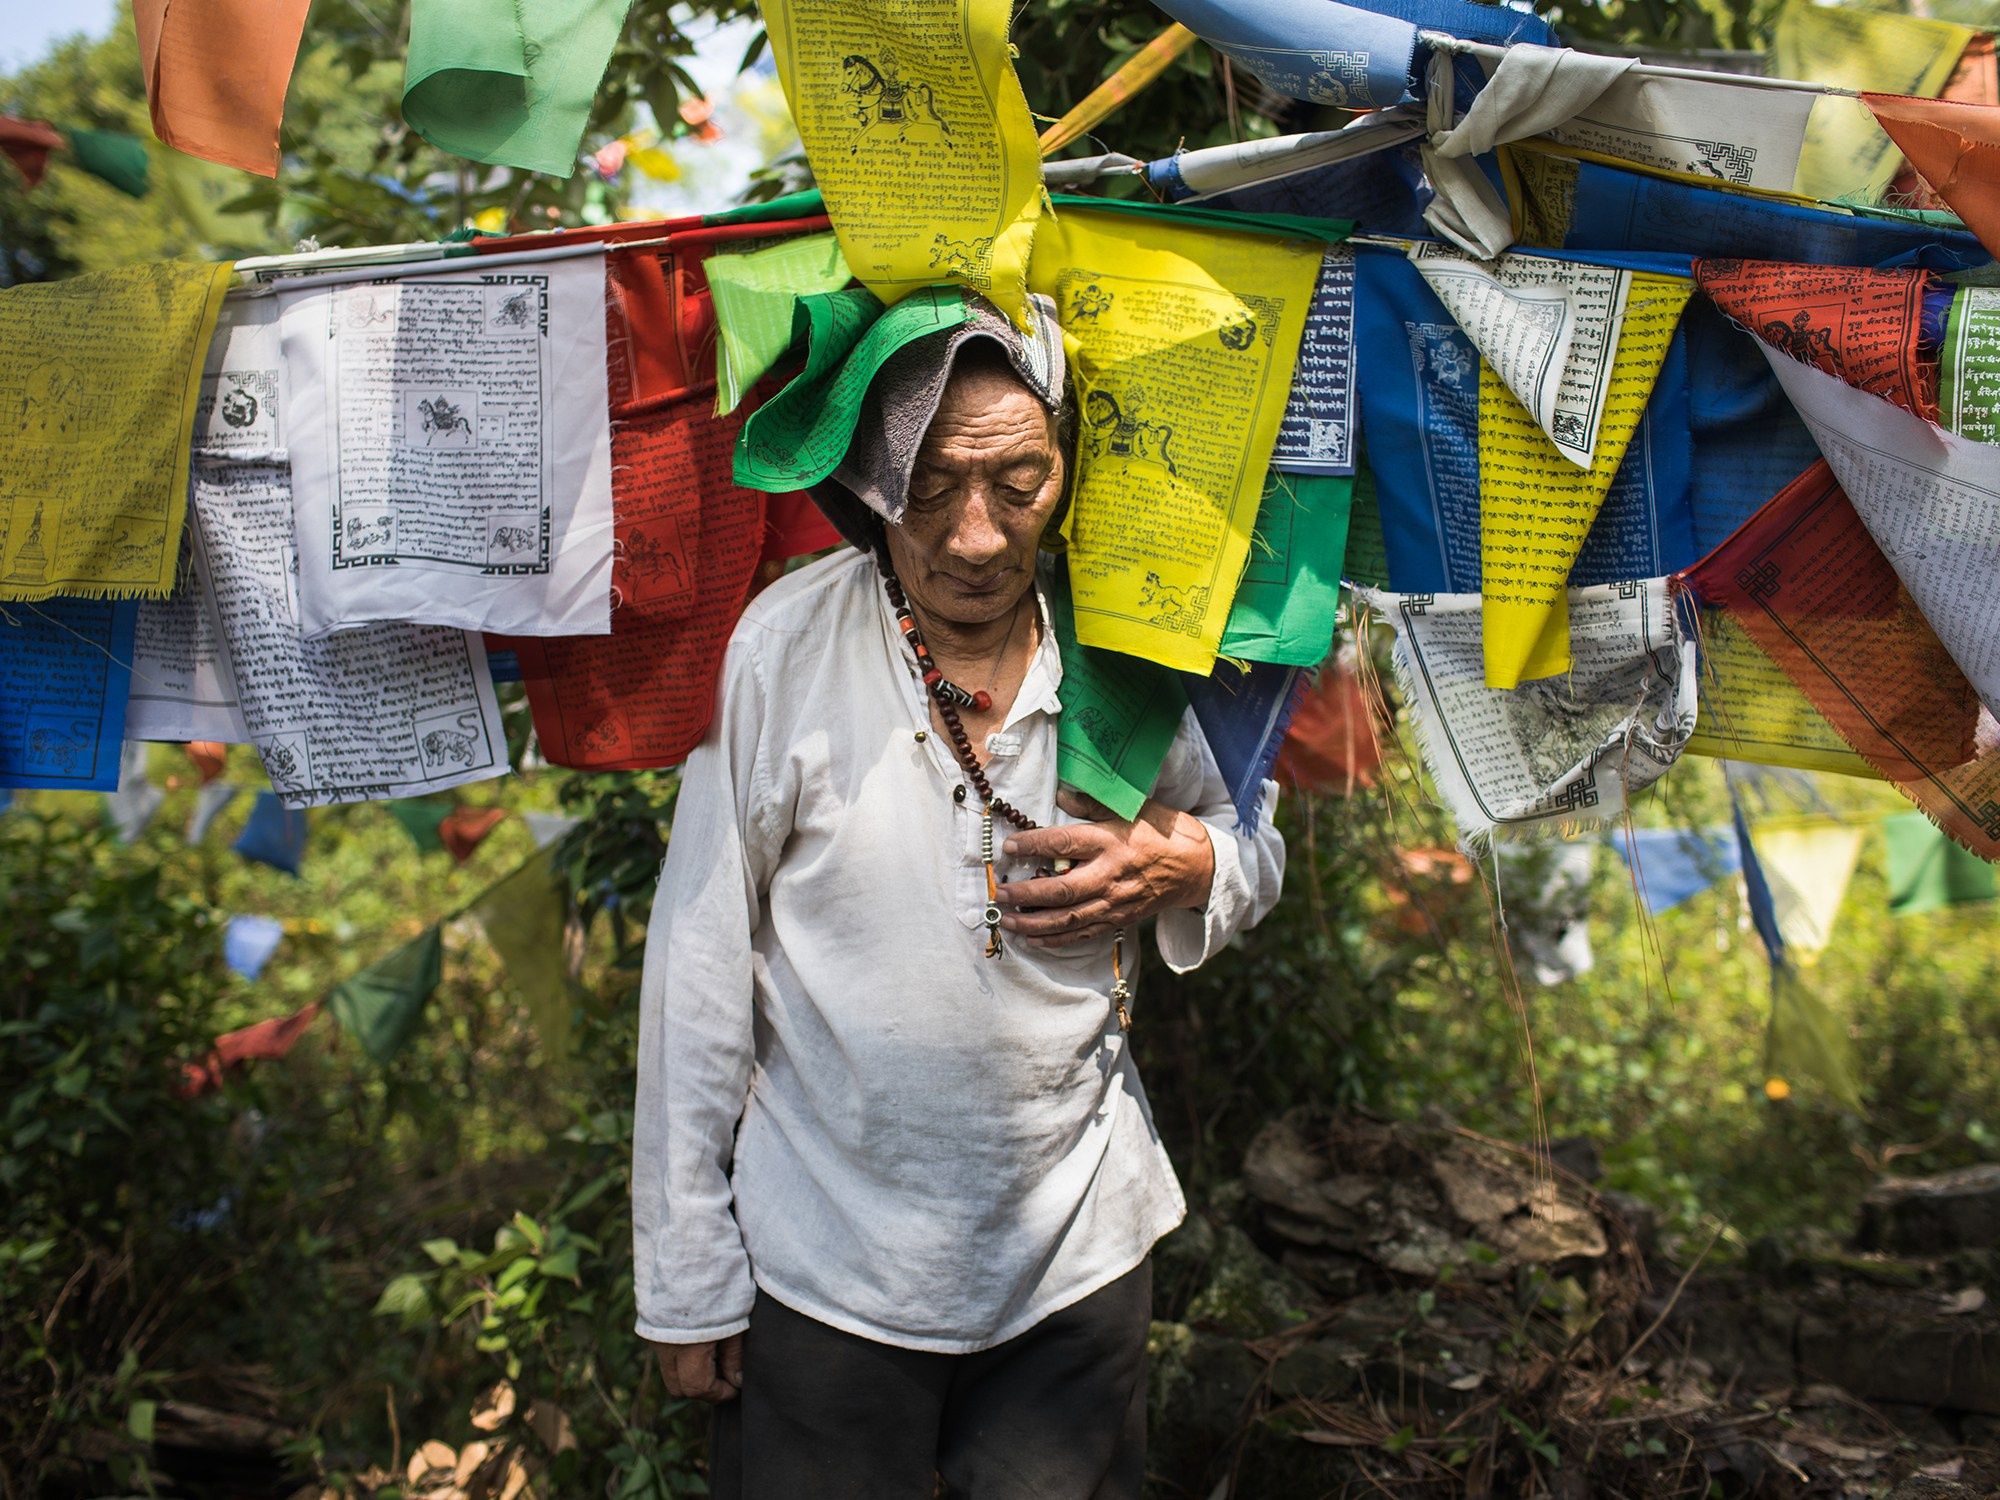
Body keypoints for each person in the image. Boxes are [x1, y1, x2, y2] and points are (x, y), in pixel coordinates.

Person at [632, 291, 1286, 1499]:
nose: (975, 536)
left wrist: (1187, 863)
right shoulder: (784, 651)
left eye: (1017, 483)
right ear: (870, 482)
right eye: (929, 487)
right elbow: (699, 962)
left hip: (1073, 1259)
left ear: (1067, 472)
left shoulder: (1131, 641)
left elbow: (1254, 841)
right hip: (827, 1260)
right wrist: (686, 1271)